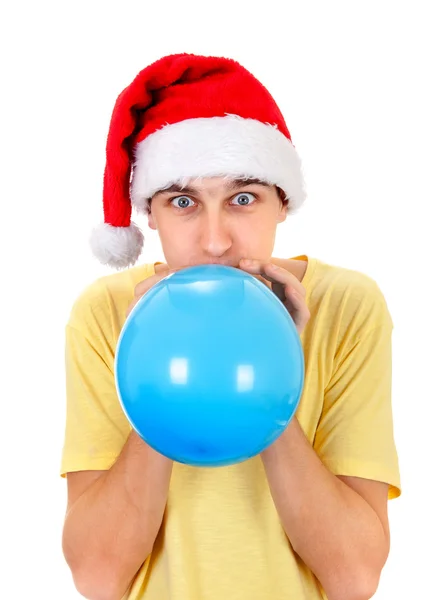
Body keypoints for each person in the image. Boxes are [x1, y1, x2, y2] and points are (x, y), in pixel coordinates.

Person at [60, 53, 401, 600]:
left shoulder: (347, 305)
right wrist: (150, 356)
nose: (215, 241)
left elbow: (354, 578)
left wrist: (276, 360)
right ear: (151, 214)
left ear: (281, 204)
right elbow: (98, 579)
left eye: (243, 199)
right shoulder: (105, 315)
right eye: (183, 201)